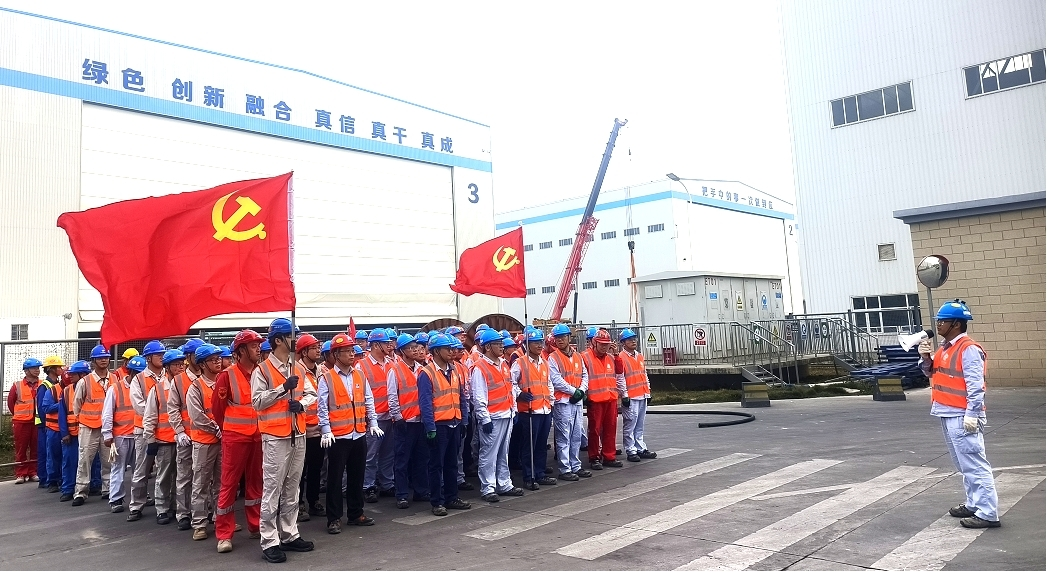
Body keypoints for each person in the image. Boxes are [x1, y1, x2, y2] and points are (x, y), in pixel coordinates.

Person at [918, 300, 1000, 529]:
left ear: (956, 324)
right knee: (964, 464)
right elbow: (930, 373)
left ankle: (988, 513)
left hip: (962, 415)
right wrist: (925, 358)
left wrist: (972, 414)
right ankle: (974, 504)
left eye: (942, 321)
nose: (938, 325)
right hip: (948, 412)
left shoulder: (968, 349)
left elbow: (976, 386)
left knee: (974, 463)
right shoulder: (946, 347)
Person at [251, 318, 315, 563]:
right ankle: (269, 540)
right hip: (275, 437)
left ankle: (289, 533)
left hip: (298, 433)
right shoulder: (262, 370)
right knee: (272, 489)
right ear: (278, 340)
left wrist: (302, 404)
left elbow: (311, 393)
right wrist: (282, 389)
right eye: (291, 336)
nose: (295, 340)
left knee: (292, 487)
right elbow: (257, 402)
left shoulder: (297, 367)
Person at [318, 333, 380, 534]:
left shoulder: (359, 375)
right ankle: (334, 518)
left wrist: (373, 422)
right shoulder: (327, 378)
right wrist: (326, 430)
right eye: (346, 351)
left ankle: (356, 513)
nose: (352, 354)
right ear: (336, 355)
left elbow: (368, 400)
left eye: (352, 350)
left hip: (358, 433)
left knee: (357, 476)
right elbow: (322, 407)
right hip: (338, 436)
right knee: (335, 479)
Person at [211, 329, 265, 554]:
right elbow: (217, 409)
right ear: (241, 351)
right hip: (235, 437)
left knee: (257, 482)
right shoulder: (227, 375)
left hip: (258, 435)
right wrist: (229, 429)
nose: (258, 349)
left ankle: (255, 525)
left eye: (258, 345)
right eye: (253, 346)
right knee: (229, 485)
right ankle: (224, 534)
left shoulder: (262, 372)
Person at [418, 334, 472, 516]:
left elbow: (461, 397)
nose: (451, 352)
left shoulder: (454, 370)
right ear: (435, 351)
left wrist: (464, 420)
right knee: (436, 465)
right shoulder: (426, 373)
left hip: (454, 422)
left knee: (451, 463)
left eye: (452, 348)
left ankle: (451, 497)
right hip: (439, 425)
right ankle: (437, 501)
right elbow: (425, 403)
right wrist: (430, 428)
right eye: (447, 349)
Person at [471, 329, 524, 502]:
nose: (502, 347)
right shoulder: (480, 367)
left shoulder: (503, 364)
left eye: (502, 343)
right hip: (492, 417)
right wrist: (484, 418)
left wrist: (513, 410)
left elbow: (510, 388)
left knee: (503, 453)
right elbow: (479, 397)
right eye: (498, 344)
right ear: (487, 347)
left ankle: (504, 483)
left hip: (506, 414)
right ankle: (488, 488)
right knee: (489, 454)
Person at [143, 349, 186, 524]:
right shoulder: (158, 389)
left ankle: (176, 506)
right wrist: (150, 440)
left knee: (181, 477)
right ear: (167, 367)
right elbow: (150, 416)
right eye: (176, 364)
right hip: (165, 440)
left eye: (182, 364)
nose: (180, 367)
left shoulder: (187, 386)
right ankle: (162, 508)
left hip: (184, 440)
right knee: (164, 476)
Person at [186, 344, 224, 541]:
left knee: (222, 483)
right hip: (204, 442)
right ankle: (200, 524)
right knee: (200, 483)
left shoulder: (222, 382)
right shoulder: (195, 387)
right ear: (202, 364)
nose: (218, 362)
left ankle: (221, 519)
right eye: (213, 359)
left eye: (218, 358)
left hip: (223, 440)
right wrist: (216, 428)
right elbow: (197, 416)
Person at [388, 333, 430, 509]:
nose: (415, 350)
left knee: (421, 458)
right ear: (402, 351)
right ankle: (402, 495)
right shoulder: (395, 370)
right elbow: (392, 396)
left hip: (421, 421)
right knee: (402, 460)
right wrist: (398, 418)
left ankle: (421, 491)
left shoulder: (421, 369)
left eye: (416, 347)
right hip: (405, 422)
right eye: (410, 348)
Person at [512, 328, 557, 490]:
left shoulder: (544, 363)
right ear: (527, 344)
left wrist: (551, 402)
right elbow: (511, 383)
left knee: (541, 444)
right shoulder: (519, 363)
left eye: (541, 342)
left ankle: (540, 473)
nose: (539, 345)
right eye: (535, 343)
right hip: (529, 411)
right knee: (529, 446)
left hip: (544, 409)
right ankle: (528, 476)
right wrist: (520, 394)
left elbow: (549, 384)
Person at [71, 345, 116, 506]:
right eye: (100, 358)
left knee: (109, 460)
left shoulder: (115, 379)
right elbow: (76, 405)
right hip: (88, 427)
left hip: (108, 427)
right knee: (84, 460)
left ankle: (108, 489)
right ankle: (81, 492)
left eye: (106, 357)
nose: (103, 360)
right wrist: (84, 420)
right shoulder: (85, 381)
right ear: (94, 361)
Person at [127, 340, 166, 521]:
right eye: (158, 355)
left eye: (163, 354)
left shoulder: (168, 376)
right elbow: (138, 405)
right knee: (142, 469)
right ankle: (136, 506)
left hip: (165, 431)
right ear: (148, 358)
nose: (162, 357)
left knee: (164, 471)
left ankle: (163, 508)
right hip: (144, 430)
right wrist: (156, 416)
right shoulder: (139, 379)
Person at [168, 338, 204, 530]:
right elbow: (173, 408)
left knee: (205, 477)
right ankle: (183, 513)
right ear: (189, 357)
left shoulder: (210, 376)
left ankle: (205, 511)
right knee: (184, 476)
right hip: (187, 437)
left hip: (206, 436)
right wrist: (180, 432)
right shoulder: (179, 380)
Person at [548, 324, 591, 481]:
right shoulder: (553, 358)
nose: (560, 340)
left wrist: (582, 390)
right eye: (557, 338)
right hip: (563, 402)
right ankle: (565, 468)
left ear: (568, 337)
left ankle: (575, 465)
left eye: (562, 337)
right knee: (563, 436)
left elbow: (584, 375)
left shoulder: (578, 356)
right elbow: (556, 380)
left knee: (576, 435)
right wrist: (575, 392)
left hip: (576, 402)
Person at [357, 329, 396, 503]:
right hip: (374, 418)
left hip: (390, 416)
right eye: (385, 343)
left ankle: (387, 484)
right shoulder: (362, 366)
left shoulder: (391, 363)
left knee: (388, 454)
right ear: (375, 345)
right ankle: (368, 486)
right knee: (370, 455)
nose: (390, 346)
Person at [103, 355, 146, 512]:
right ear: (132, 372)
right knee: (118, 468)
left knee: (140, 469)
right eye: (138, 373)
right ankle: (116, 498)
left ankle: (140, 495)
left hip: (139, 434)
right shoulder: (115, 388)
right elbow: (107, 413)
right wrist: (107, 434)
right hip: (121, 436)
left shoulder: (144, 387)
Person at [581, 330, 625, 470]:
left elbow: (620, 370)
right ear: (594, 342)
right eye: (601, 344)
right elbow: (581, 377)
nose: (604, 347)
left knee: (610, 429)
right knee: (594, 430)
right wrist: (585, 396)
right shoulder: (585, 357)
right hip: (595, 401)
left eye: (606, 344)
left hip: (610, 399)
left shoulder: (611, 358)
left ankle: (609, 456)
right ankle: (594, 457)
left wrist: (616, 354)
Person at [294, 333, 326, 520]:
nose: (318, 350)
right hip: (302, 429)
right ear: (304, 352)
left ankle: (313, 501)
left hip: (319, 429)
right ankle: (298, 504)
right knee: (300, 470)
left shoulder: (321, 371)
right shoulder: (296, 371)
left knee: (316, 467)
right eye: (314, 348)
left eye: (318, 347)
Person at [618, 329, 656, 462]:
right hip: (631, 397)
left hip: (642, 395)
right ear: (623, 343)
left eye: (634, 339)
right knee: (630, 424)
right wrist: (624, 395)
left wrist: (648, 391)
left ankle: (640, 448)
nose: (633, 341)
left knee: (639, 424)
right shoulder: (621, 358)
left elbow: (644, 374)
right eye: (630, 339)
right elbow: (620, 378)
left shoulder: (639, 356)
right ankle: (631, 450)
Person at [9, 357, 42, 485]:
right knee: (21, 448)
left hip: (37, 421)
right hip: (21, 422)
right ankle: (21, 473)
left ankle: (33, 472)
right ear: (26, 370)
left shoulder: (42, 384)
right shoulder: (17, 385)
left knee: (35, 447)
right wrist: (19, 415)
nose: (37, 370)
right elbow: (11, 403)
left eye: (38, 368)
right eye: (34, 368)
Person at [38, 356, 66, 492]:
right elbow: (42, 408)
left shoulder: (60, 384)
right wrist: (46, 425)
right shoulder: (45, 387)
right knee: (51, 455)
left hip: (59, 427)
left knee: (59, 455)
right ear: (51, 369)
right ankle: (51, 481)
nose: (61, 369)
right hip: (50, 427)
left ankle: (59, 479)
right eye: (59, 367)